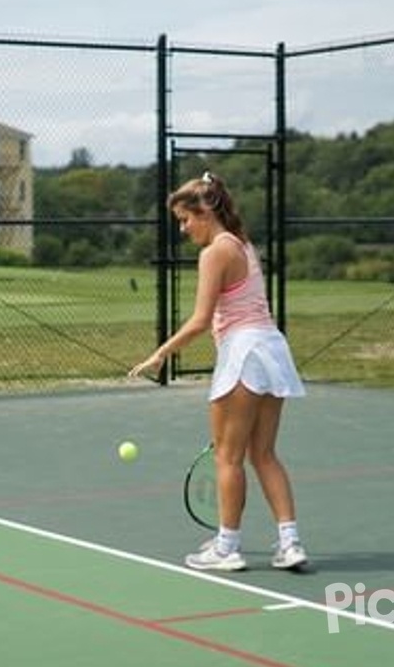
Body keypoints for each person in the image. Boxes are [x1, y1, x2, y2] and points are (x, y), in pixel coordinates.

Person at [129, 172, 308, 572]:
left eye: (185, 218)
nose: (182, 227)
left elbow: (199, 321)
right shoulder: (244, 245)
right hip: (273, 350)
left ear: (206, 211)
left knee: (228, 458)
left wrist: (158, 355)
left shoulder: (214, 253)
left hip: (243, 353)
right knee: (263, 454)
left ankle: (227, 548)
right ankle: (291, 543)